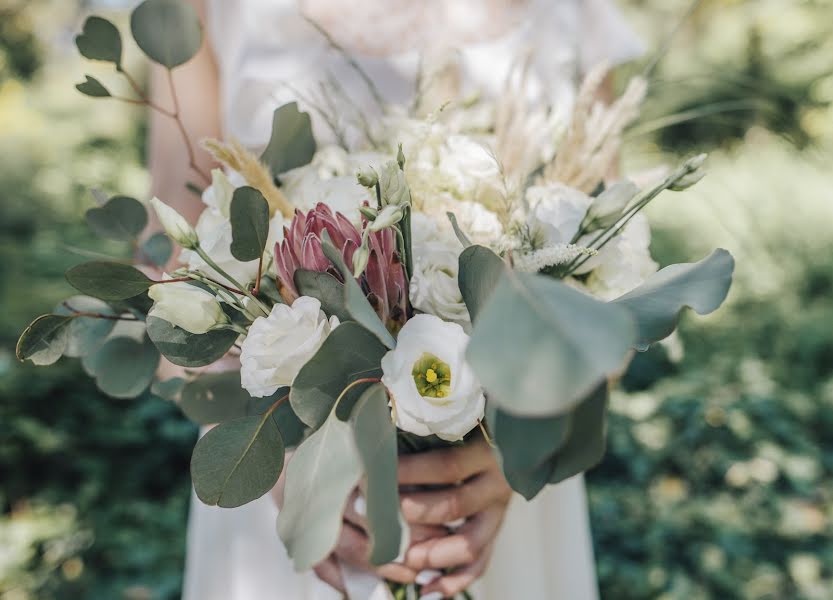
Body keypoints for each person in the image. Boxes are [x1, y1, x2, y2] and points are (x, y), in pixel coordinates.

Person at [148, 1, 643, 598]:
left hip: (504, 485)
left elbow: (610, 281)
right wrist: (282, 463)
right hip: (283, 475)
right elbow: (172, 273)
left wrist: (528, 447)